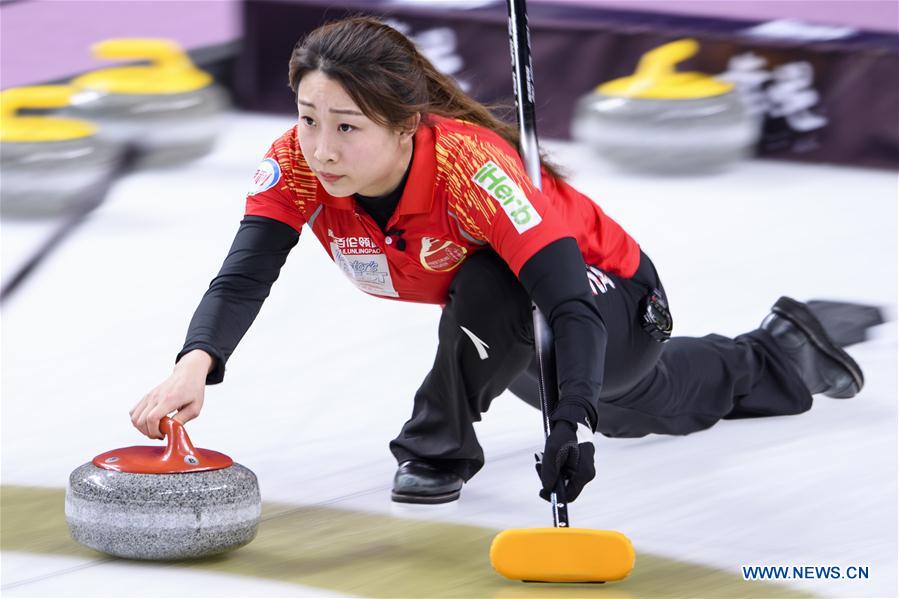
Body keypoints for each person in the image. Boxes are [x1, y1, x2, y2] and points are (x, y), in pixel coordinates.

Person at [130, 17, 866, 505]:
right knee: (638, 404)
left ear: (406, 125)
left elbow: (566, 303)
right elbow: (244, 273)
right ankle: (780, 352)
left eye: (347, 126)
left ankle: (435, 449)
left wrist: (568, 423)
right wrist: (196, 362)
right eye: (307, 117)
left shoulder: (473, 171)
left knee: (540, 325)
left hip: (608, 298)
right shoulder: (295, 163)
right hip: (505, 331)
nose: (321, 147)